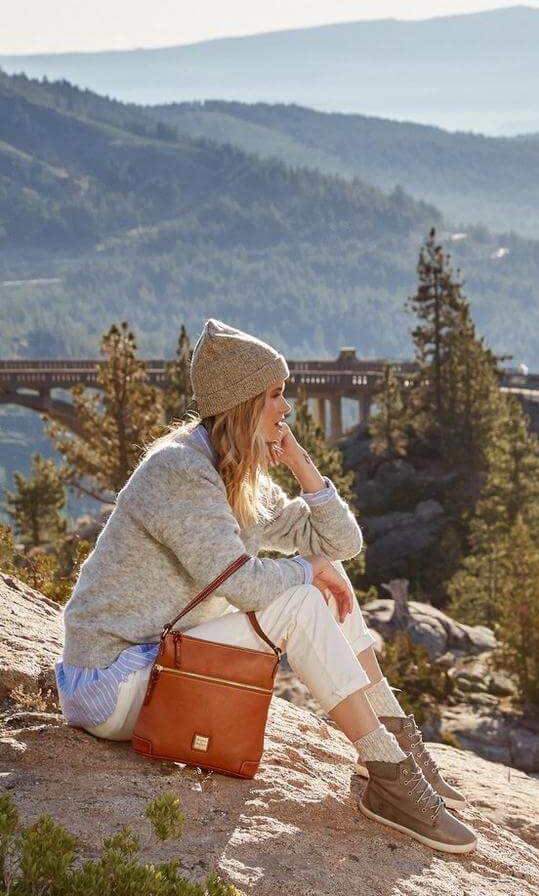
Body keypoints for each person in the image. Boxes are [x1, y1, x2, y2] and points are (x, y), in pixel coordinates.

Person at [54, 317, 476, 855]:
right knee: (302, 596)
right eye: (276, 395)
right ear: (245, 402)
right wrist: (307, 573)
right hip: (112, 682)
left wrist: (300, 462)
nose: (287, 408)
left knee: (325, 571)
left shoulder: (237, 475)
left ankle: (397, 748)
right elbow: (244, 584)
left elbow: (340, 542)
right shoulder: (179, 471)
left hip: (159, 663)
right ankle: (385, 770)